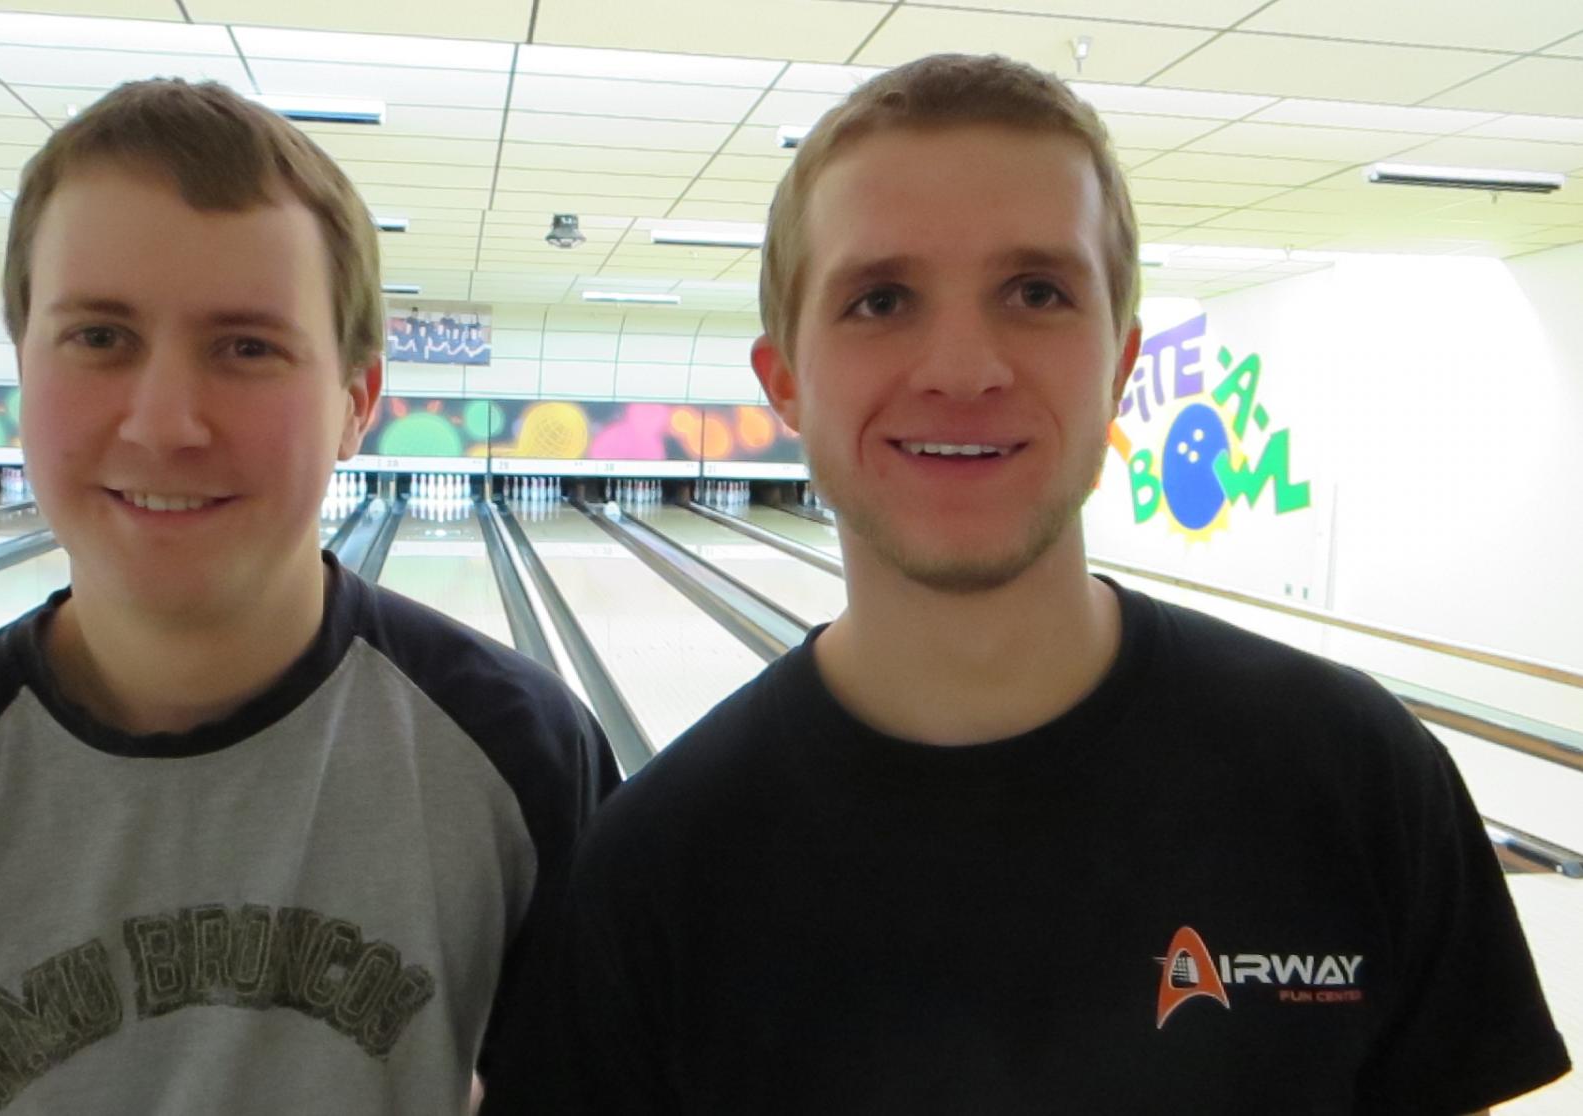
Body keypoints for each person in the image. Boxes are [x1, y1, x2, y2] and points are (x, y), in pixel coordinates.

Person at [554, 54, 1570, 1114]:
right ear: (785, 385)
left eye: (1037, 291)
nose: (962, 366)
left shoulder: (1360, 779)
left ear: (1121, 364)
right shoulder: (653, 870)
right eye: (881, 298)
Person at [0, 79, 617, 1113]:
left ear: (356, 403)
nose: (164, 424)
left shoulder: (523, 757)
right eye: (101, 337)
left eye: (247, 347)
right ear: (23, 370)